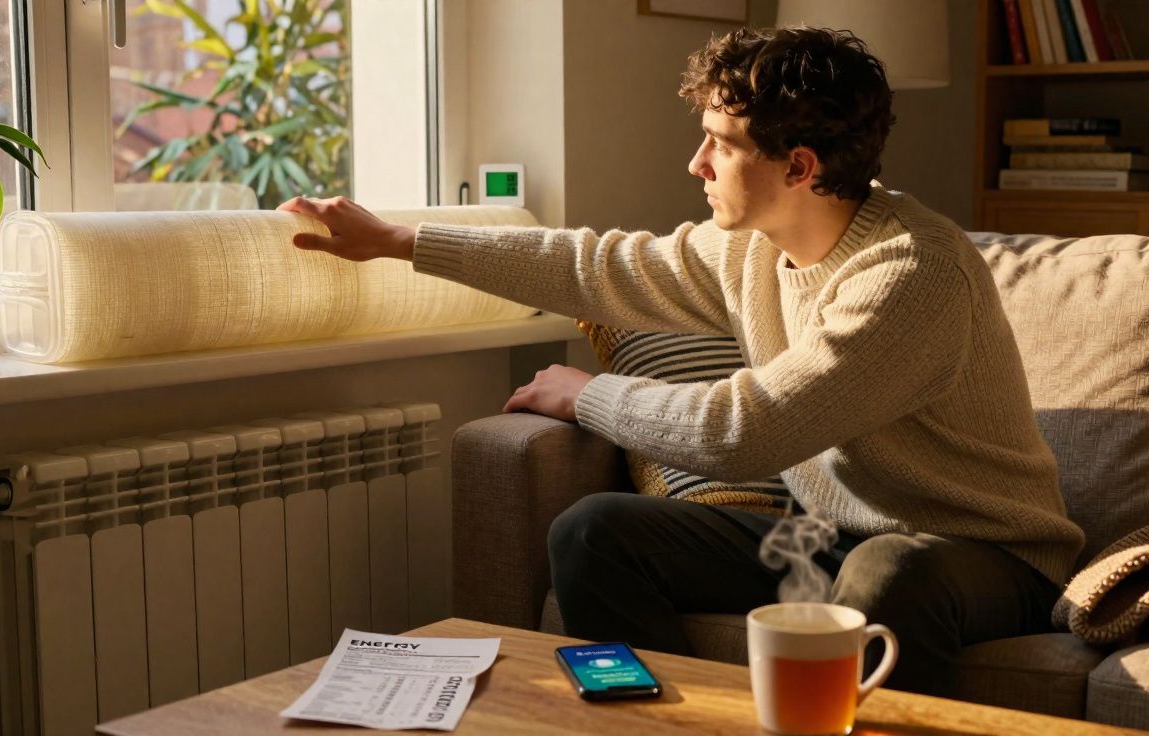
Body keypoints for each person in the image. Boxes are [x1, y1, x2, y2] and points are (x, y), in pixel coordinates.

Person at [280, 25, 1085, 698]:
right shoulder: (746, 251)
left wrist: (588, 395)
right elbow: (593, 267)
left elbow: (747, 431)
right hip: (830, 536)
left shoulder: (911, 273)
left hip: (984, 557)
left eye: (719, 144)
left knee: (886, 574)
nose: (696, 165)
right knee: (595, 532)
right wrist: (398, 242)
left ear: (799, 167)